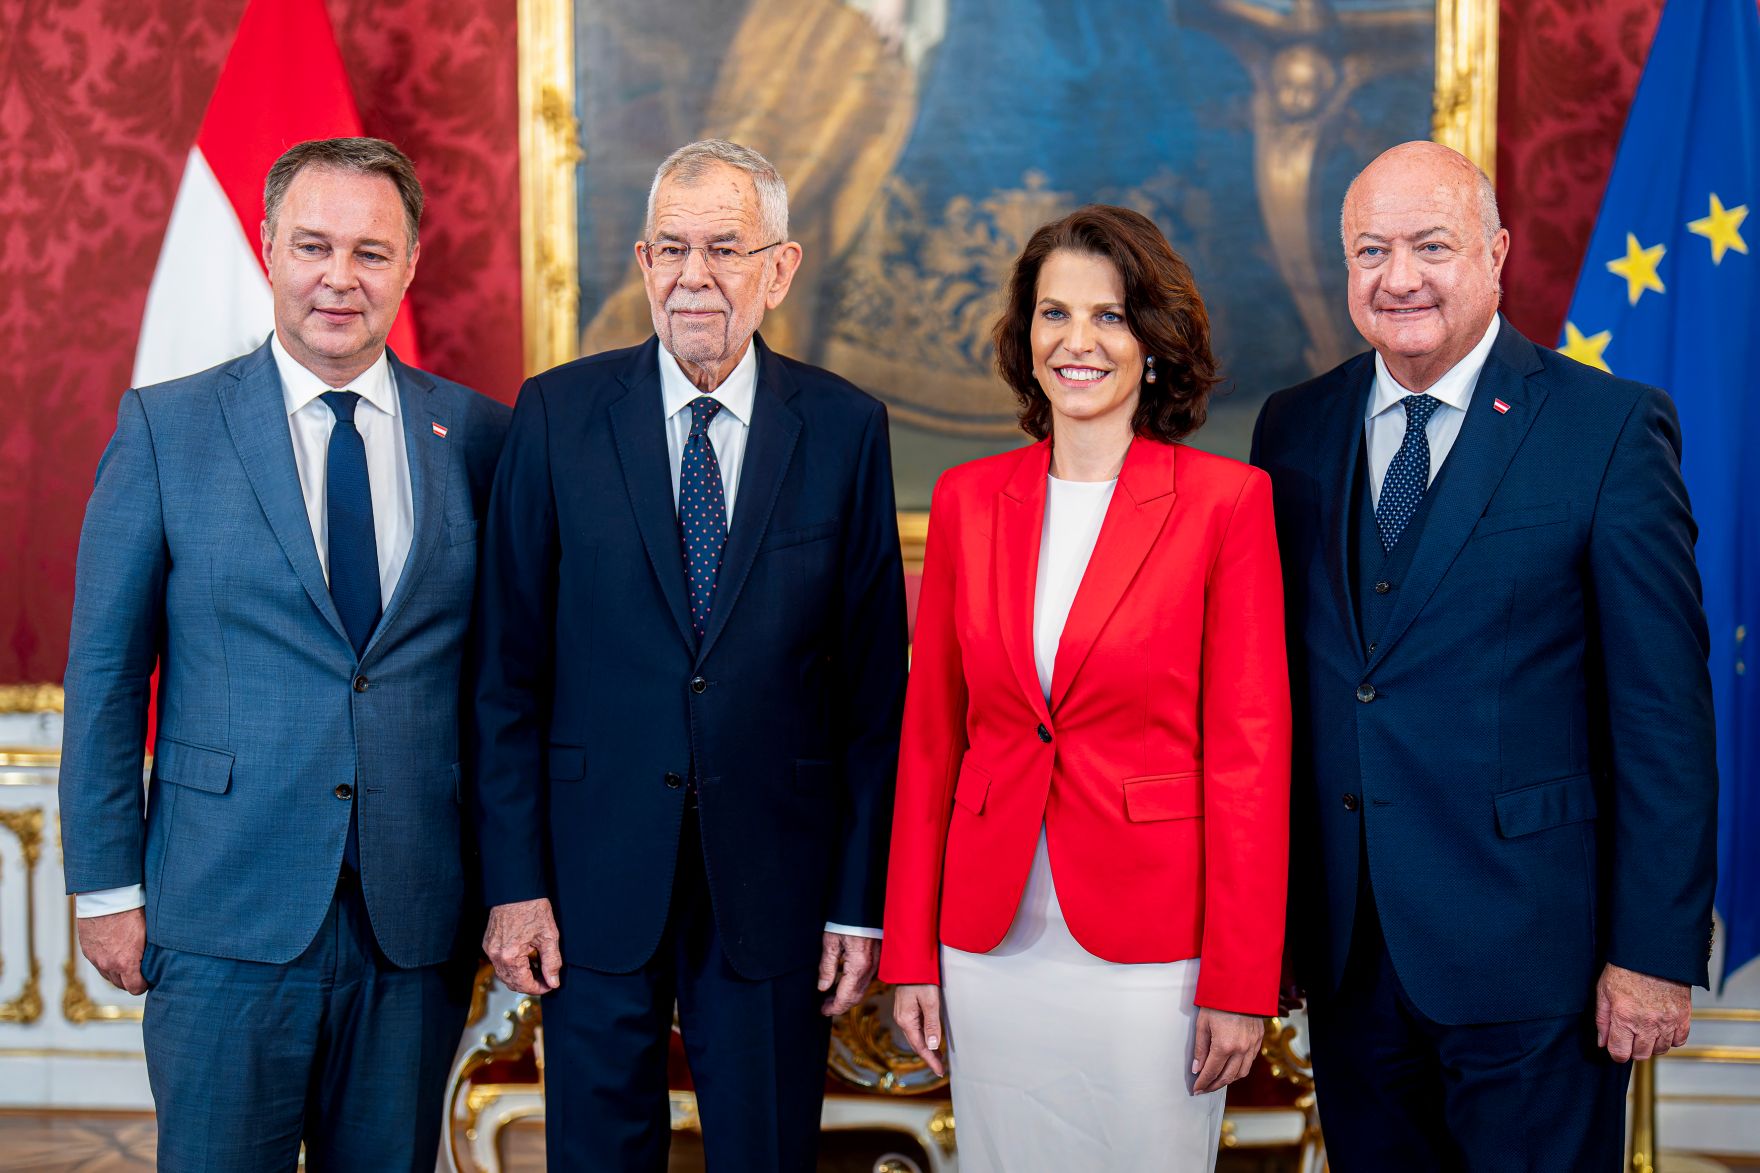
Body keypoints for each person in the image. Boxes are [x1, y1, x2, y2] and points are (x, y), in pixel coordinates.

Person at [1251, 141, 1719, 1170]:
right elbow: (1288, 693)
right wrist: (1269, 928)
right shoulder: (1292, 429)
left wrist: (1649, 954)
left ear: (1497, 254)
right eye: (1368, 250)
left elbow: (1660, 718)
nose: (1397, 277)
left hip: (1536, 960)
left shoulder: (1602, 429)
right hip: (1348, 954)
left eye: (1430, 245)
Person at [59, 137, 511, 1171]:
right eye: (312, 245)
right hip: (223, 912)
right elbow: (105, 679)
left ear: (408, 264)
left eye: (368, 251)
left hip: (417, 919)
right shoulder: (167, 429)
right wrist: (105, 891)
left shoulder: (481, 439)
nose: (337, 278)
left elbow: (504, 687)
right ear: (266, 249)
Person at [472, 139, 909, 1172]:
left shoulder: (844, 429)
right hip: (589, 883)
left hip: (775, 882)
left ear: (779, 266)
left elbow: (868, 695)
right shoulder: (556, 416)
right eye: (669, 248)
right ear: (640, 260)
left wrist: (857, 901)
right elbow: (504, 677)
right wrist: (515, 885)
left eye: (723, 247)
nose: (693, 276)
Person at [882, 204, 1291, 1172]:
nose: (1077, 341)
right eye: (1052, 314)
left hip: (1153, 948)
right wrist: (908, 952)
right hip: (987, 941)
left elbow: (1249, 760)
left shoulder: (1225, 506)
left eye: (1108, 317)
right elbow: (931, 739)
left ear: (1152, 343)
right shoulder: (968, 501)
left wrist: (1241, 979)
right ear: (1025, 339)